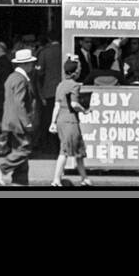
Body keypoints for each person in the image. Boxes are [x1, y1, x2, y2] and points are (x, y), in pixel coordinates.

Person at [0, 47, 42, 186]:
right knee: (25, 149)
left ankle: (19, 183)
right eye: (31, 63)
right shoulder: (21, 79)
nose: (32, 66)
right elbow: (19, 103)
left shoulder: (11, 77)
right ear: (25, 64)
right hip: (18, 122)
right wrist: (27, 123)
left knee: (19, 155)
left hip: (9, 120)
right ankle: (1, 166)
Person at [51, 57, 92, 187]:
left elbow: (57, 105)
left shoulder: (60, 85)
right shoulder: (75, 85)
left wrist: (53, 122)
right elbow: (74, 104)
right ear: (75, 72)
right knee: (65, 151)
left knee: (78, 150)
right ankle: (56, 180)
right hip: (71, 121)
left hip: (61, 121)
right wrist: (84, 110)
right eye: (79, 69)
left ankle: (84, 178)